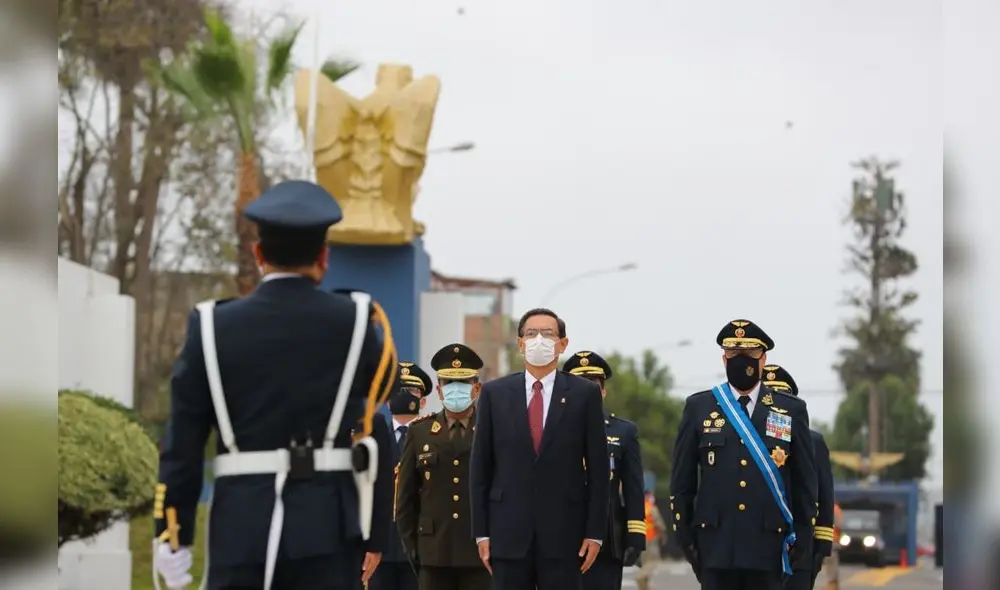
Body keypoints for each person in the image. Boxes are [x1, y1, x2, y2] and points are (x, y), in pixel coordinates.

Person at [151, 180, 398, 590]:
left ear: (258, 254)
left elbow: (184, 442)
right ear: (324, 256)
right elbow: (380, 390)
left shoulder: (212, 326)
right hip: (326, 528)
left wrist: (173, 533)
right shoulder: (356, 321)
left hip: (242, 527)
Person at [669, 319, 818, 590]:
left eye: (748, 355)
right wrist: (685, 537)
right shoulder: (699, 407)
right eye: (734, 355)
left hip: (770, 545)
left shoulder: (789, 410)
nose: (741, 362)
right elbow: (682, 482)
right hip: (715, 545)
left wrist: (804, 540)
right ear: (724, 359)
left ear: (763, 360)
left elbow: (805, 484)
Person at [470, 308, 609, 590]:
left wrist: (595, 533)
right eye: (531, 334)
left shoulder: (584, 394)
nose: (539, 340)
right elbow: (480, 468)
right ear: (520, 343)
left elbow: (598, 469)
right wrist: (481, 534)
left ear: (563, 343)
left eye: (548, 334)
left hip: (564, 534)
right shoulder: (494, 394)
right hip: (507, 533)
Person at [395, 344, 492, 590]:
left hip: (481, 554)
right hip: (433, 554)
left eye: (464, 383)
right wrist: (414, 550)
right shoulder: (420, 432)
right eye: (448, 383)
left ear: (477, 388)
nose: (455, 389)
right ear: (438, 390)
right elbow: (405, 500)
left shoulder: (493, 430)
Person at [562, 351, 646, 590]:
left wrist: (635, 536)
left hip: (607, 536)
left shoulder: (623, 432)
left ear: (603, 391)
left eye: (594, 386)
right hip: (560, 533)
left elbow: (633, 487)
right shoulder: (550, 429)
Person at [761, 364, 835, 590]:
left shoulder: (813, 442)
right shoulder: (746, 441)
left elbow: (823, 494)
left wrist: (821, 547)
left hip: (799, 547)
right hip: (756, 548)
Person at [370, 362, 434, 590]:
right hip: (381, 545)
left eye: (412, 392)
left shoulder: (435, 439)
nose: (404, 397)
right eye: (398, 392)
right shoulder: (372, 438)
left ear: (423, 401)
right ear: (387, 401)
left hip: (420, 544)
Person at [635, 491, 666, 590]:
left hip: (640, 540)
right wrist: (663, 535)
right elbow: (659, 524)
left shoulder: (638, 507)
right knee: (652, 562)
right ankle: (639, 578)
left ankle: (644, 586)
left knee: (645, 563)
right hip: (651, 539)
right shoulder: (651, 508)